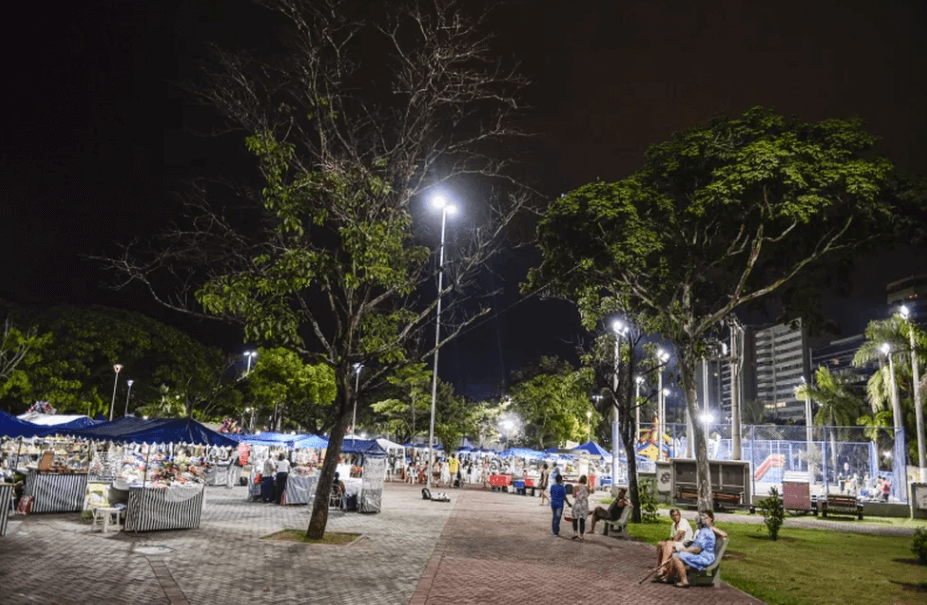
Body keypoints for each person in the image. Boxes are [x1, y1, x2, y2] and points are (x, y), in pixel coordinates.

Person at [666, 511, 720, 588]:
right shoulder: (706, 530)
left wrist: (682, 550)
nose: (702, 520)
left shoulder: (705, 532)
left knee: (676, 556)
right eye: (702, 518)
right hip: (706, 556)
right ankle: (670, 577)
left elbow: (697, 550)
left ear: (711, 519)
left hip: (705, 558)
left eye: (705, 518)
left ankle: (684, 581)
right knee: (676, 554)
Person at [654, 508, 694, 576]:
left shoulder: (683, 521)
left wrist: (670, 544)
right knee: (661, 544)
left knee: (669, 545)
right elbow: (672, 538)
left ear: (679, 515)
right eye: (673, 515)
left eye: (677, 515)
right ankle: (659, 566)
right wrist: (667, 544)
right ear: (671, 517)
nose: (675, 517)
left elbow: (679, 535)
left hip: (686, 545)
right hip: (678, 544)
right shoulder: (673, 525)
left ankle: (663, 566)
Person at [570, 475, 590, 541]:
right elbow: (587, 495)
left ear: (580, 480)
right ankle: (581, 535)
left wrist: (578, 495)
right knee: (582, 520)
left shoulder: (576, 487)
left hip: (577, 504)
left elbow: (574, 496)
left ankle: (575, 533)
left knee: (575, 519)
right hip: (584, 505)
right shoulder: (587, 488)